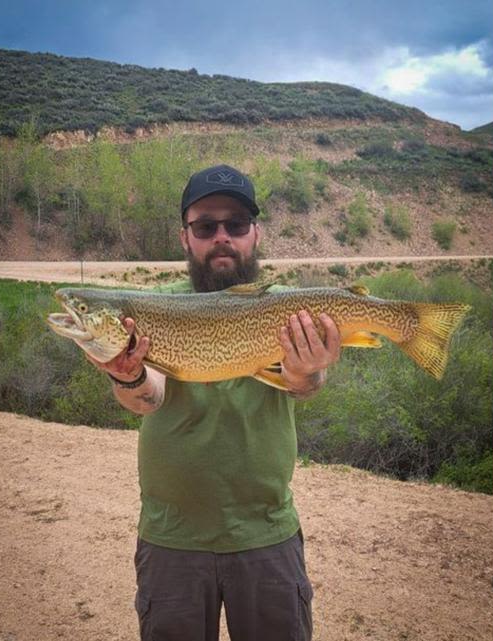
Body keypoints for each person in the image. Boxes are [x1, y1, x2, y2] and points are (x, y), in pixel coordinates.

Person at [83, 164, 342, 641]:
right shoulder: (153, 310)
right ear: (186, 238)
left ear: (255, 234)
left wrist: (308, 373)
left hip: (266, 533)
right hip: (172, 537)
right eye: (206, 226)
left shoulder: (288, 308)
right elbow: (149, 397)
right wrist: (130, 376)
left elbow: (305, 386)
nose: (222, 237)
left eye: (236, 225)